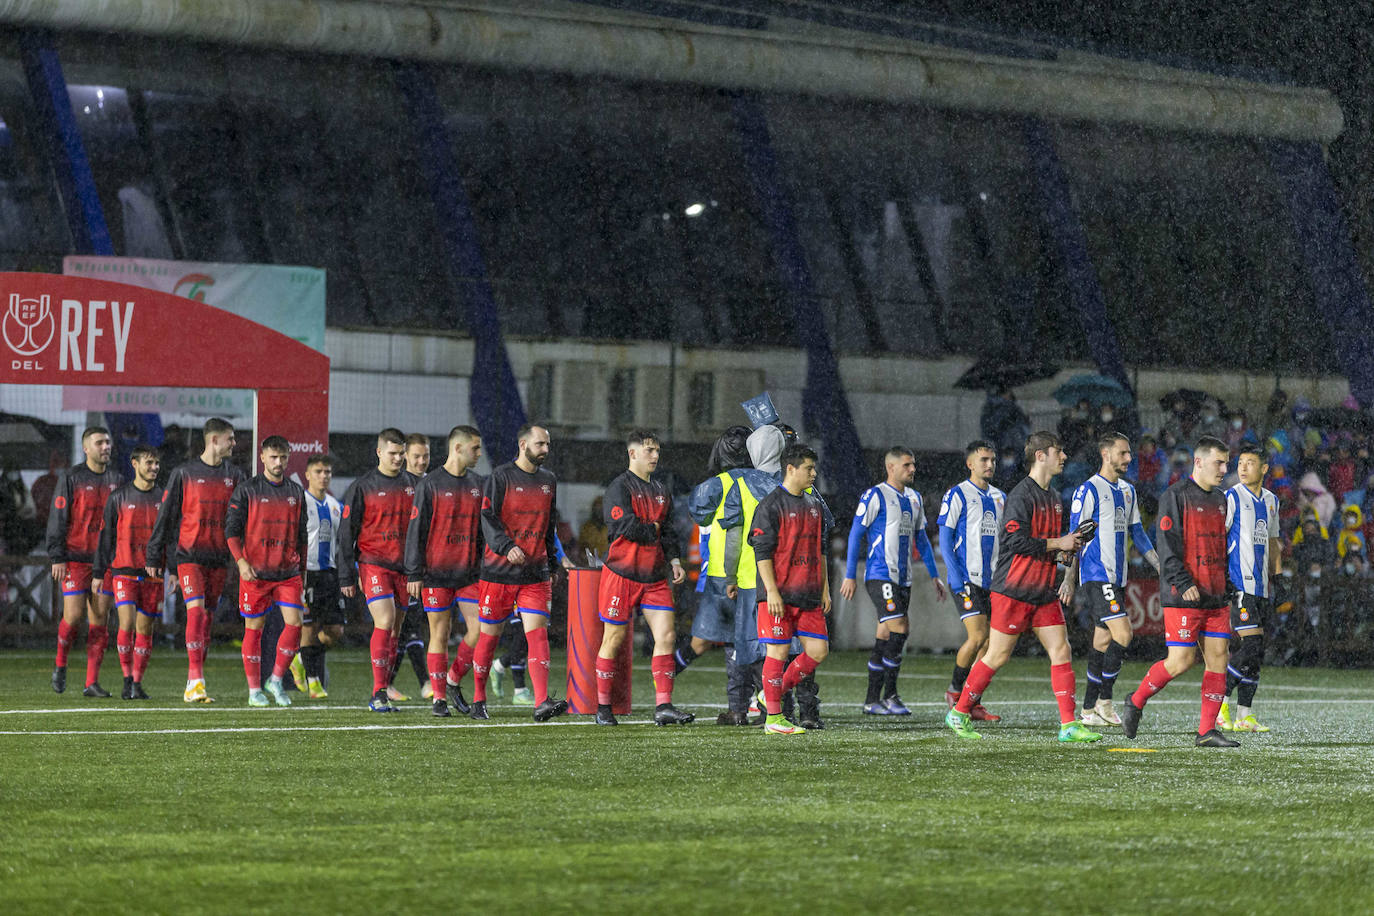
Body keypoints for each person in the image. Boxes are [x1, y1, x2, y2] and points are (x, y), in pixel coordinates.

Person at [944, 431, 1100, 743]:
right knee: (997, 655)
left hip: (1042, 591)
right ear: (1041, 455)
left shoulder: (1055, 497)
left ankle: (1068, 725)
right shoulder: (1020, 496)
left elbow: (1046, 545)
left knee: (1062, 649)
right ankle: (959, 712)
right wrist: (1058, 542)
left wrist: (1065, 550)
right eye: (1059, 451)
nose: (1065, 457)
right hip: (1013, 589)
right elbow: (1014, 541)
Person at [1119, 436, 1239, 747]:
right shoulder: (1175, 496)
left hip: (1216, 596)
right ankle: (1135, 700)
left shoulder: (1222, 500)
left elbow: (1222, 546)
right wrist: (1184, 583)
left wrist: (1228, 582)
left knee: (1218, 660)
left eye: (1226, 463)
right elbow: (1167, 546)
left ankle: (1206, 731)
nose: (1224, 469)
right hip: (1183, 594)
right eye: (1219, 462)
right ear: (1199, 462)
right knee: (1181, 662)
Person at [592, 429, 693, 726]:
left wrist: (674, 559)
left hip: (654, 577)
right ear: (632, 453)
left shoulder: (662, 489)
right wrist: (653, 529)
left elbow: (669, 530)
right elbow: (623, 526)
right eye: (649, 450)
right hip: (621, 575)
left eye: (657, 450)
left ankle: (664, 706)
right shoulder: (618, 487)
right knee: (614, 638)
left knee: (667, 637)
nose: (655, 455)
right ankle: (603, 708)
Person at [469, 424, 568, 722]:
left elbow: (548, 526)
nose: (546, 450)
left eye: (548, 445)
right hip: (498, 573)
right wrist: (505, 545)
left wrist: (551, 563)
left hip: (534, 574)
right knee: (489, 637)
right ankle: (478, 699)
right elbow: (487, 516)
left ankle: (541, 702)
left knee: (537, 636)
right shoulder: (500, 476)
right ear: (523, 444)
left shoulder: (549, 480)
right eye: (540, 444)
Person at [840, 446, 947, 716]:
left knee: (886, 633)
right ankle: (890, 694)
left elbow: (921, 538)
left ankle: (872, 700)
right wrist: (850, 574)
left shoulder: (914, 498)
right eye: (907, 465)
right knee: (900, 628)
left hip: (904, 577)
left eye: (913, 465)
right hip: (880, 573)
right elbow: (856, 534)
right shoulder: (875, 495)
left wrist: (935, 574)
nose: (913, 469)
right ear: (891, 468)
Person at [147, 416, 245, 704]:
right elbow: (166, 517)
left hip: (219, 559)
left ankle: (193, 681)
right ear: (214, 440)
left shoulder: (235, 475)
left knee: (208, 622)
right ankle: (197, 680)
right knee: (197, 613)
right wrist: (157, 555)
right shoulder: (183, 473)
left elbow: (241, 519)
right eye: (230, 438)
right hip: (190, 557)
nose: (234, 443)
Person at [1073, 433, 1160, 728]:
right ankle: (1105, 702)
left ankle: (1087, 710)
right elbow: (1074, 538)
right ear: (1105, 453)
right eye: (1122, 453)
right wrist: (1067, 579)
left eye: (1129, 453)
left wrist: (1159, 564)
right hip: (1097, 576)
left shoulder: (1128, 491)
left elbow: (1138, 533)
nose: (1128, 459)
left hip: (1117, 579)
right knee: (1124, 635)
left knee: (1102, 640)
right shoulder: (1088, 490)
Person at [748, 443, 833, 736]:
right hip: (779, 596)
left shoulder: (814, 505)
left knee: (819, 651)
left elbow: (820, 550)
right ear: (791, 469)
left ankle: (772, 692)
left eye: (814, 468)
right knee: (778, 653)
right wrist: (770, 591)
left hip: (809, 594)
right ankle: (774, 717)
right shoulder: (771, 505)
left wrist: (825, 589)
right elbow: (762, 553)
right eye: (809, 468)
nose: (814, 473)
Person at [405, 425, 486, 717]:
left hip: (469, 574)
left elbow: (483, 532)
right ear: (458, 448)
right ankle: (439, 699)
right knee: (439, 633)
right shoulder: (430, 484)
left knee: (480, 629)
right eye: (475, 448)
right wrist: (414, 572)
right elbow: (416, 530)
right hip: (436, 574)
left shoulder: (479, 484)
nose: (479, 453)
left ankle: (452, 679)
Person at [225, 436, 309, 707]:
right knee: (255, 629)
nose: (278, 462)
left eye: (283, 457)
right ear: (262, 458)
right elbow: (231, 532)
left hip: (288, 572)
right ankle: (253, 690)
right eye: (273, 457)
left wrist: (303, 570)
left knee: (295, 624)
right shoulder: (247, 490)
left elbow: (302, 536)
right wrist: (240, 562)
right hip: (256, 573)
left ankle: (275, 678)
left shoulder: (296, 492)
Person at [338, 428, 416, 712]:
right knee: (385, 620)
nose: (397, 458)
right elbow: (346, 533)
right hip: (374, 563)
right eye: (392, 453)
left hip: (405, 570)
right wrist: (347, 573)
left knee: (395, 629)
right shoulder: (362, 486)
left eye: (401, 453)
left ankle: (384, 688)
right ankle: (377, 692)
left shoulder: (413, 485)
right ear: (379, 452)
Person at [47, 426, 123, 696]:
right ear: (86, 448)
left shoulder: (118, 479)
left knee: (100, 618)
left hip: (105, 562)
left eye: (108, 442)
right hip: (76, 558)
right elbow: (58, 518)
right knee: (74, 615)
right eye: (100, 442)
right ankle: (60, 664)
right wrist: (57, 555)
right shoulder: (71, 477)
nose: (106, 447)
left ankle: (91, 683)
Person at [683, 425, 753, 724]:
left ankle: (740, 707)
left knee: (715, 642)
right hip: (754, 573)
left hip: (721, 573)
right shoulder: (766, 483)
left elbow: (698, 512)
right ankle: (763, 706)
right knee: (753, 643)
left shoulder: (714, 486)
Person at [936, 440, 1006, 721]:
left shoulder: (1000, 497)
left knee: (989, 644)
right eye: (984, 460)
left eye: (992, 460)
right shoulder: (958, 494)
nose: (989, 465)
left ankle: (972, 700)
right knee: (977, 636)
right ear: (970, 464)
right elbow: (945, 536)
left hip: (993, 581)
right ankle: (955, 692)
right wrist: (954, 575)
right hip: (966, 577)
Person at [1216, 444, 1282, 734]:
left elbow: (1273, 540)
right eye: (1240, 462)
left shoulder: (1271, 501)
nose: (1242, 468)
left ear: (1264, 468)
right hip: (1238, 582)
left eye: (1250, 463)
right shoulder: (1231, 497)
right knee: (1250, 644)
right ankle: (1219, 704)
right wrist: (1221, 578)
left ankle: (1244, 715)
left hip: (1262, 585)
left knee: (1257, 650)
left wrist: (1277, 577)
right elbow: (1218, 539)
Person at [92, 444, 162, 700]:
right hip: (124, 571)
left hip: (153, 573)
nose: (154, 468)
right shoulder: (118, 498)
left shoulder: (163, 498)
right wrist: (99, 572)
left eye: (156, 464)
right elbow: (106, 537)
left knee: (146, 629)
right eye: (149, 463)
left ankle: (137, 683)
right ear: (135, 464)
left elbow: (171, 537)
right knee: (127, 623)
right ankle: (126, 678)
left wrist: (173, 569)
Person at [295, 454, 344, 699]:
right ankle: (314, 682)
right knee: (309, 629)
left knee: (335, 631)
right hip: (308, 574)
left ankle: (299, 659)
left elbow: (343, 542)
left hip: (330, 574)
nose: (323, 476)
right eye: (318, 472)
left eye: (327, 472)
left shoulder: (336, 506)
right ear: (307, 475)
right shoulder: (300, 502)